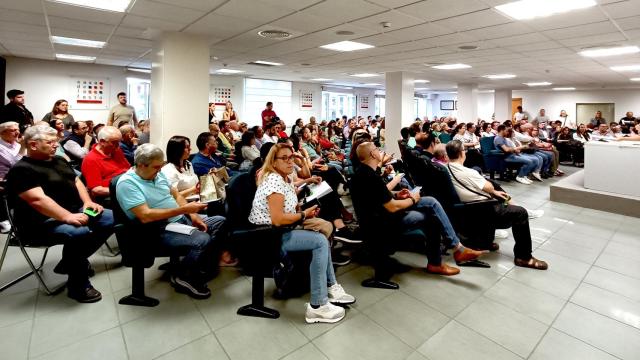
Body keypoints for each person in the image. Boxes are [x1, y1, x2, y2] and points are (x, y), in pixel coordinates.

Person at [248, 143, 355, 323]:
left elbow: (290, 206)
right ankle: (317, 306)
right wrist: (304, 214)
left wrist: (303, 212)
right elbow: (277, 219)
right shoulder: (273, 180)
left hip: (281, 229)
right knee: (320, 241)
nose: (290, 162)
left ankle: (331, 286)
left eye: (292, 157)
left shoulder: (284, 177)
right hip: (268, 235)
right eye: (285, 158)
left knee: (324, 229)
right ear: (273, 162)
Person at [6, 124, 114, 302]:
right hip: (39, 224)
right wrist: (67, 217)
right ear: (33, 145)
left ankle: (69, 261)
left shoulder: (59, 160)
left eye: (56, 141)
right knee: (79, 233)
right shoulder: (21, 170)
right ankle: (78, 285)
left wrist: (88, 202)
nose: (56, 145)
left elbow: (77, 181)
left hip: (73, 211)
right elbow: (37, 200)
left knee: (111, 219)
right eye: (50, 142)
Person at [351, 141, 485, 279]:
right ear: (373, 153)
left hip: (379, 218)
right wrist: (413, 199)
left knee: (431, 203)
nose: (379, 151)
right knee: (431, 216)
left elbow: (377, 196)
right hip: (381, 225)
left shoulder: (363, 173)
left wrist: (398, 194)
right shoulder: (369, 177)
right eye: (377, 149)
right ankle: (447, 255)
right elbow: (392, 207)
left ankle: (453, 251)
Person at [116, 143, 226, 299]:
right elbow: (145, 215)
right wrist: (185, 210)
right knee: (202, 239)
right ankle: (184, 275)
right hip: (157, 229)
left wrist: (193, 216)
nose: (159, 170)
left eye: (160, 166)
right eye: (156, 167)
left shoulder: (157, 173)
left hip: (179, 219)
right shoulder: (127, 184)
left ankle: (198, 264)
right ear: (141, 165)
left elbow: (177, 196)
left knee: (220, 221)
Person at [445, 140, 548, 269]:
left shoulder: (446, 168)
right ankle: (524, 257)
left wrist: (493, 191)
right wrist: (490, 187)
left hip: (468, 209)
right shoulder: (468, 172)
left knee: (496, 192)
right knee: (520, 213)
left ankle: (484, 243)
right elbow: (487, 187)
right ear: (462, 153)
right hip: (482, 209)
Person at [80, 126, 130, 200]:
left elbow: (127, 168)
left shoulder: (116, 150)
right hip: (112, 195)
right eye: (114, 143)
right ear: (102, 141)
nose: (118, 146)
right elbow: (96, 190)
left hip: (127, 184)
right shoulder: (91, 160)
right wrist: (122, 191)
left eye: (118, 142)